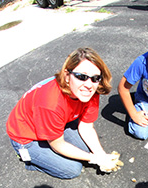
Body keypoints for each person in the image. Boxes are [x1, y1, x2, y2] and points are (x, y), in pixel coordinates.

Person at [7, 47, 119, 179]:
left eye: (95, 78)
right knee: (72, 170)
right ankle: (29, 158)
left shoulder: (92, 90)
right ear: (67, 76)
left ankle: (52, 137)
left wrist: (101, 154)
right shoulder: (51, 103)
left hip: (56, 122)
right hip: (26, 136)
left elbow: (86, 127)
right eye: (81, 77)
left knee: (86, 149)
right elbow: (57, 144)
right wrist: (94, 158)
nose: (89, 85)